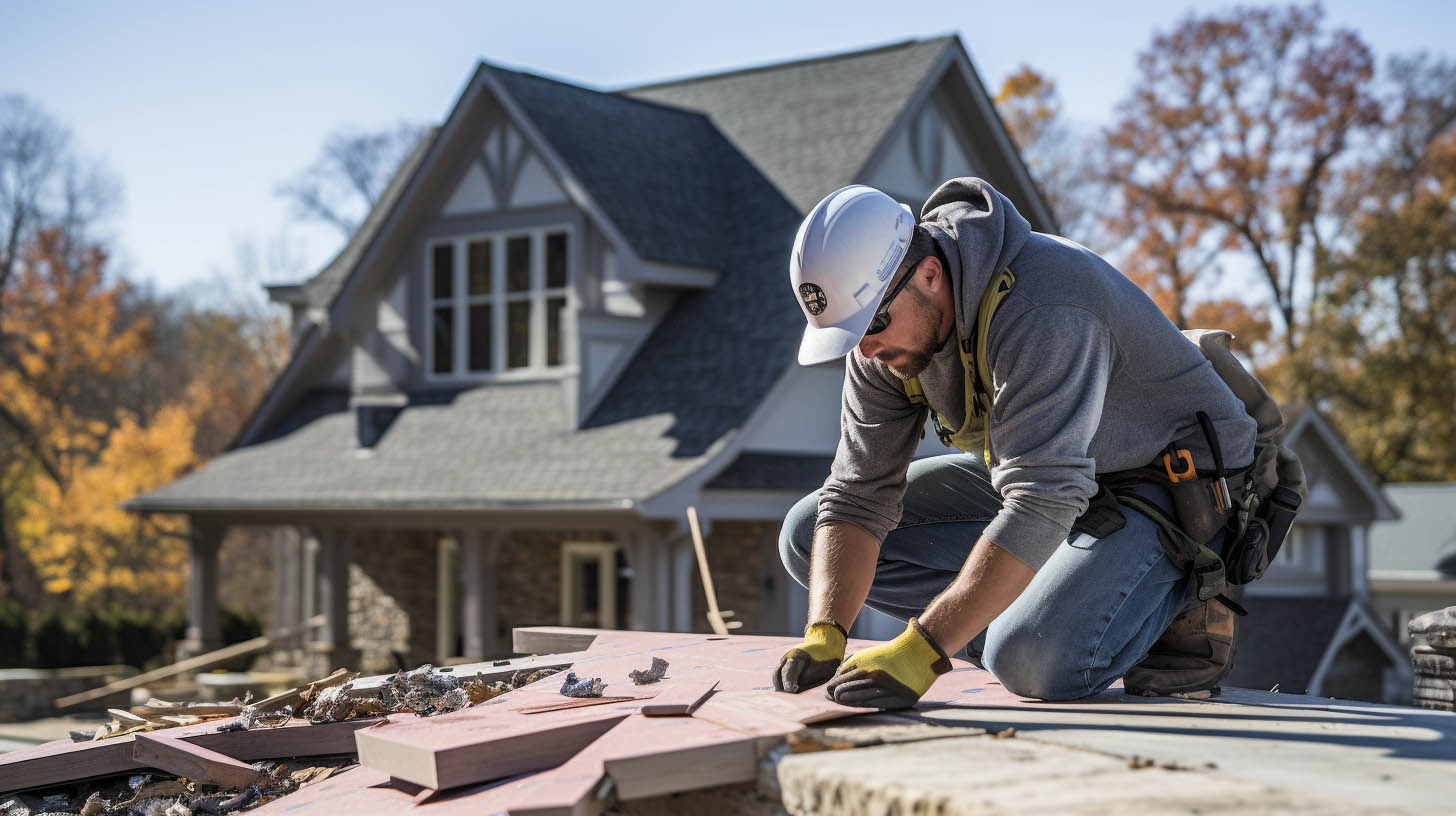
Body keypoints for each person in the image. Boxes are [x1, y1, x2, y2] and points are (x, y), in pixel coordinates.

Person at [772, 178, 1263, 709]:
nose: (865, 349)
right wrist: (827, 630)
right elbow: (857, 495)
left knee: (1030, 662)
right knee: (807, 536)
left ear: (929, 274)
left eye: (872, 324)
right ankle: (1051, 611)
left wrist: (922, 650)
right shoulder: (882, 342)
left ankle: (1152, 608)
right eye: (849, 334)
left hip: (1171, 483)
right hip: (1053, 470)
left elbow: (1043, 496)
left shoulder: (1045, 303)